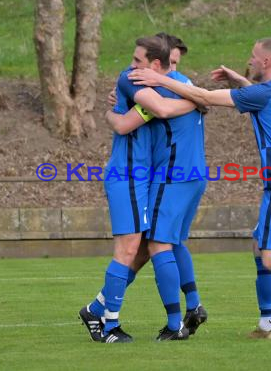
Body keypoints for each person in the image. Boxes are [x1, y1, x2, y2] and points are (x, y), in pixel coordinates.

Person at [128, 37, 271, 340]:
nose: (249, 60)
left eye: (253, 56)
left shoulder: (263, 93)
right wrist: (240, 80)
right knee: (258, 246)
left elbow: (205, 98)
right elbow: (263, 98)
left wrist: (159, 79)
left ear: (266, 62)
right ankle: (266, 326)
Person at [78, 35, 196, 344]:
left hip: (144, 178)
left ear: (155, 65)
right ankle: (108, 325)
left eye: (137, 61)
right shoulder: (130, 80)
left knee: (142, 251)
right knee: (128, 249)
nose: (131, 65)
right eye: (133, 60)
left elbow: (165, 103)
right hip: (128, 175)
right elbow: (130, 122)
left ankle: (96, 309)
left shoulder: (161, 84)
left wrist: (195, 97)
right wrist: (198, 100)